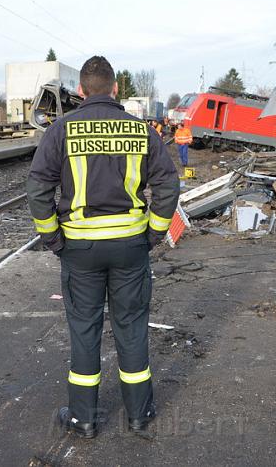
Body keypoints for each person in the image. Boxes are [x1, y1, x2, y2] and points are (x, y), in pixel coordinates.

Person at [26, 56, 180, 439]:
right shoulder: (141, 130)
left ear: (81, 91)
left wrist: (52, 238)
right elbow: (168, 185)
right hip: (130, 246)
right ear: (115, 89)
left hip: (80, 249)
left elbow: (38, 188)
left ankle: (84, 419)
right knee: (131, 327)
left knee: (84, 330)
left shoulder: (61, 129)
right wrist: (154, 233)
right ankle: (139, 414)